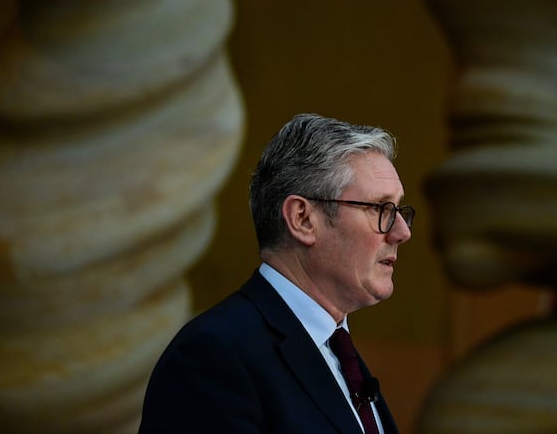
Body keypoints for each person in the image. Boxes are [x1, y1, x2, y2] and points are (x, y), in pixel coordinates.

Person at [139, 113, 414, 433]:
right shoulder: (214, 355)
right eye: (380, 209)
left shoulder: (337, 351)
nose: (402, 231)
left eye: (398, 210)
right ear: (303, 219)